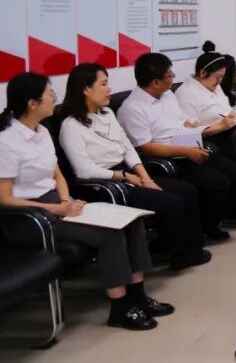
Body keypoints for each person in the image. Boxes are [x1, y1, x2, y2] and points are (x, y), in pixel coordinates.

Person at [0, 73, 173, 331]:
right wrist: (55, 208)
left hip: (58, 205)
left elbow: (57, 174)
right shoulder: (7, 141)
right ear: (32, 104)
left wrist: (65, 199)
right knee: (110, 235)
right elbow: (4, 198)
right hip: (29, 219)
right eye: (50, 94)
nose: (54, 98)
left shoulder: (42, 131)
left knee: (133, 221)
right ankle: (120, 308)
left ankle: (138, 296)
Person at [59, 64, 210, 271]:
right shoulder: (71, 126)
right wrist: (124, 176)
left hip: (128, 173)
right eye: (103, 84)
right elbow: (84, 170)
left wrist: (145, 178)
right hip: (106, 184)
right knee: (170, 203)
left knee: (187, 190)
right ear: (86, 89)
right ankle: (173, 251)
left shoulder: (107, 114)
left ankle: (191, 251)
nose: (109, 89)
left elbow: (128, 148)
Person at [117, 52, 236, 241]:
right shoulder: (132, 108)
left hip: (188, 145)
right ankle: (205, 227)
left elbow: (180, 123)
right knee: (218, 183)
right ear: (155, 82)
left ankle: (212, 222)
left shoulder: (167, 95)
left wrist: (192, 130)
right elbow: (146, 147)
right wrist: (186, 151)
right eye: (170, 76)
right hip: (168, 159)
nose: (172, 79)